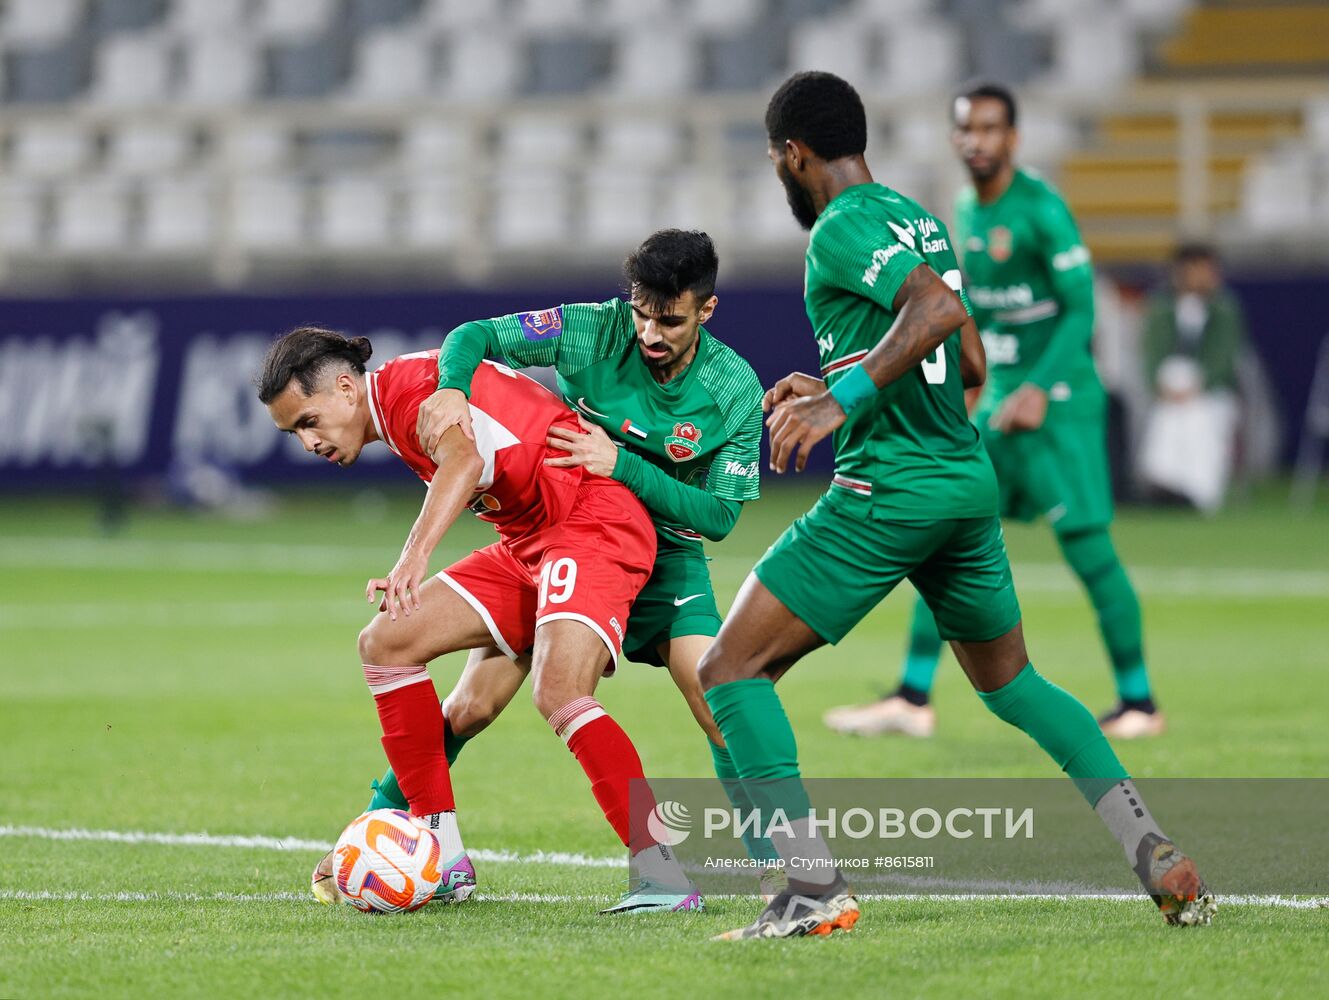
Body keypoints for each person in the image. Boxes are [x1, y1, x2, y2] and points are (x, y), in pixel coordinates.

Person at [697, 71, 1214, 940]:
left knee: (725, 671)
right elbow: (966, 357)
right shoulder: (920, 219)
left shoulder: (838, 228)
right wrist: (836, 380)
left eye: (775, 157)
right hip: (961, 483)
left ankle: (807, 885)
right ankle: (1147, 844)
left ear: (792, 154)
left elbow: (933, 311)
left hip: (886, 489)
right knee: (1012, 682)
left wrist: (842, 399)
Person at [387, 228, 784, 901]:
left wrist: (620, 463)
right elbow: (474, 334)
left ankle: (770, 857)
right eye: (641, 311)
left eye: (669, 319)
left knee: (716, 696)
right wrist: (452, 389)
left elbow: (718, 517)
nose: (649, 332)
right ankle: (385, 821)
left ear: (706, 312)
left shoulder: (733, 388)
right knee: (471, 707)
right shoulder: (593, 330)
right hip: (567, 538)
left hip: (667, 561)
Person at [256, 329, 700, 914]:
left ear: (345, 387)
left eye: (308, 422)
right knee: (392, 647)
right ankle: (438, 853)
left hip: (589, 519)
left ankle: (662, 873)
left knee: (560, 691)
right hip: (528, 541)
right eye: (295, 433)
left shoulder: (410, 393)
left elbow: (461, 460)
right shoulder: (393, 402)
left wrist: (411, 559)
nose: (308, 441)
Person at [824, 81, 1164, 742]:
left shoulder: (1040, 210)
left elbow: (1080, 309)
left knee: (1090, 552)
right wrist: (978, 384)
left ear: (1012, 137)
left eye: (988, 129)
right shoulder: (964, 207)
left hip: (1058, 407)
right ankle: (912, 697)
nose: (975, 141)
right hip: (1000, 403)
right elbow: (972, 313)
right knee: (944, 533)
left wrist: (1038, 385)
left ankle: (1139, 703)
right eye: (965, 129)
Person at [1138, 243, 1248, 512]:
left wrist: (1199, 386)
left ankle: (1199, 494)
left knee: (1199, 421)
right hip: (1169, 392)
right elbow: (1151, 351)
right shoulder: (1162, 306)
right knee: (1169, 420)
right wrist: (1160, 384)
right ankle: (1163, 484)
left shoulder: (1225, 308)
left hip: (1211, 393)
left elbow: (1225, 355)